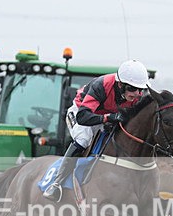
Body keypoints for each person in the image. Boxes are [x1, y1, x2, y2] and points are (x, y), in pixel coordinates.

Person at [43, 59, 150, 201]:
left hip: (105, 115)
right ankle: (57, 183)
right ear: (120, 84)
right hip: (81, 112)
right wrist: (106, 118)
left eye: (140, 89)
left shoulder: (138, 95)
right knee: (83, 139)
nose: (137, 94)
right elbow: (82, 117)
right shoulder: (101, 85)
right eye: (132, 88)